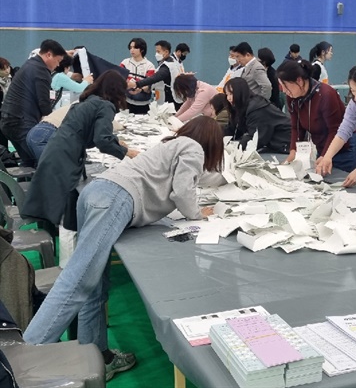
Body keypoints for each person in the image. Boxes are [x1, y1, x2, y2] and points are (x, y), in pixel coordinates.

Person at [23, 116, 223, 381]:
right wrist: (198, 213)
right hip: (115, 199)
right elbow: (182, 191)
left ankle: (97, 358)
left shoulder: (170, 144)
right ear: (212, 143)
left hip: (95, 194)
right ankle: (23, 360)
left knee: (94, 289)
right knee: (77, 282)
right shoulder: (194, 148)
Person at [21, 70, 139, 229]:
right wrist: (127, 153)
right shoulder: (105, 106)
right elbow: (102, 140)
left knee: (49, 200)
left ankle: (56, 236)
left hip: (57, 149)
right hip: (66, 155)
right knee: (63, 206)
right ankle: (66, 242)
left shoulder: (87, 101)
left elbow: (89, 134)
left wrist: (116, 142)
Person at [277, 59, 356, 172]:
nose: (284, 91)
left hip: (343, 147)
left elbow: (335, 130)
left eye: (285, 86)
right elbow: (296, 127)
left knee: (337, 183)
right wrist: (293, 151)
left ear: (299, 81)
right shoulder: (292, 97)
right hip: (322, 146)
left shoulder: (326, 95)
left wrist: (326, 155)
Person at [0, 39, 66, 167]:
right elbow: (44, 103)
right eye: (58, 61)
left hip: (9, 121)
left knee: (29, 161)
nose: (58, 65)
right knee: (42, 160)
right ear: (48, 55)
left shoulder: (31, 64)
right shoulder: (41, 71)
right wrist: (53, 122)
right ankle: (38, 186)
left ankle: (25, 186)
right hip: (19, 123)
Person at [223, 77, 290, 153]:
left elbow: (255, 138)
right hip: (274, 145)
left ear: (240, 92)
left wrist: (235, 149)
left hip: (286, 143)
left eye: (231, 94)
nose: (228, 98)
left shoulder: (256, 109)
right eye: (227, 94)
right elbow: (233, 129)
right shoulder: (241, 107)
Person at [127, 40, 181, 106]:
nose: (156, 54)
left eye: (158, 52)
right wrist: (141, 89)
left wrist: (137, 84)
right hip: (166, 100)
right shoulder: (170, 62)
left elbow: (154, 78)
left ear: (166, 52)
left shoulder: (168, 66)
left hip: (171, 102)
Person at [120, 38, 156, 114]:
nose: (132, 50)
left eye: (135, 47)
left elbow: (149, 86)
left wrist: (140, 89)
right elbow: (119, 80)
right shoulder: (125, 63)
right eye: (130, 47)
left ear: (142, 49)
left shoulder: (149, 66)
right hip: (126, 103)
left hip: (143, 105)